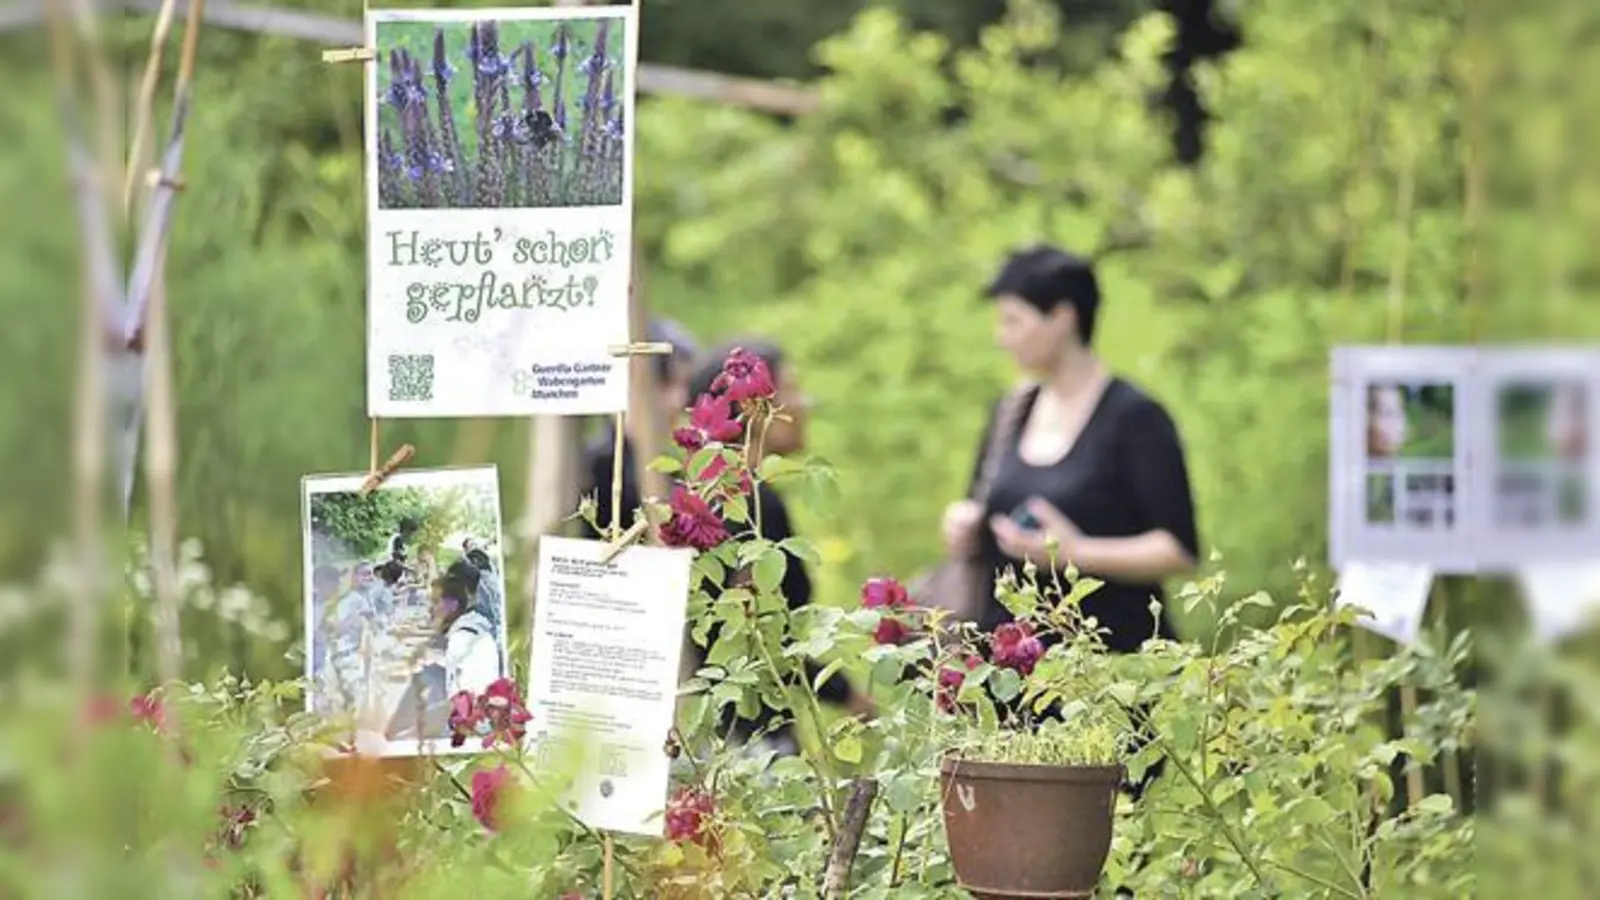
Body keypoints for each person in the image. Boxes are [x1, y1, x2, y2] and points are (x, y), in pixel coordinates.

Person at [942, 245, 1200, 654]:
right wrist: (965, 525)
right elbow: (981, 502)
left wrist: (1075, 553)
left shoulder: (1135, 418)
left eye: (1013, 320)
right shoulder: (1011, 411)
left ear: (1063, 318)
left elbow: (1179, 551)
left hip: (1108, 671)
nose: (1001, 337)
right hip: (1010, 673)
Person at [685, 340, 875, 754]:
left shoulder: (705, 495)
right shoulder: (752, 506)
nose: (803, 404)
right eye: (792, 390)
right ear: (755, 407)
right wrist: (847, 695)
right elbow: (761, 635)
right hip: (748, 732)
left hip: (718, 722)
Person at [581, 317, 701, 538]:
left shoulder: (674, 470)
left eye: (685, 385)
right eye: (665, 382)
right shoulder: (588, 471)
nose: (679, 400)